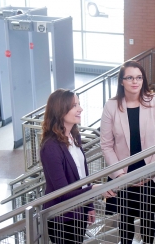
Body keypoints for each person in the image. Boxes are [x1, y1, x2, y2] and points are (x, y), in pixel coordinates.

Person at [100, 60, 155, 244]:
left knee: (148, 221)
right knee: (125, 223)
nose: (135, 81)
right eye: (130, 77)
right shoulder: (111, 106)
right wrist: (121, 175)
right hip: (123, 174)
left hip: (151, 171)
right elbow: (106, 144)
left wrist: (149, 173)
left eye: (139, 77)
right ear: (121, 81)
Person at [41, 89, 115, 244]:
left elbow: (83, 176)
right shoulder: (51, 147)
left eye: (79, 104)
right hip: (62, 218)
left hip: (78, 211)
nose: (80, 109)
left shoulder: (74, 137)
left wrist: (89, 206)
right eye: (75, 105)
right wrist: (94, 190)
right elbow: (62, 192)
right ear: (60, 110)